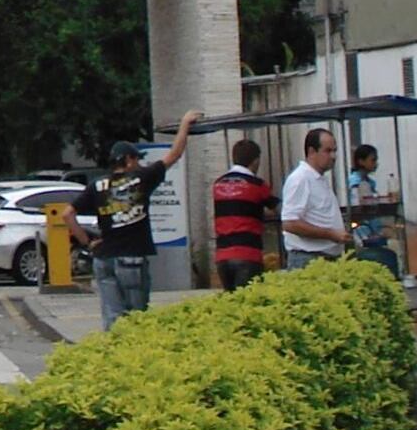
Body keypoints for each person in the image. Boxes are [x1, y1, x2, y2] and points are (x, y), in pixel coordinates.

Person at [68, 111, 199, 330]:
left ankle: (113, 349)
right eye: (136, 158)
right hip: (132, 258)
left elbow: (67, 214)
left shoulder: (96, 186)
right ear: (128, 160)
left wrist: (88, 242)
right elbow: (175, 154)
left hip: (104, 259)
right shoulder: (142, 178)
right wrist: (185, 122)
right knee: (136, 319)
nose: (139, 162)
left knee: (113, 318)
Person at [209, 138, 277, 291]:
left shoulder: (218, 184)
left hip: (222, 255)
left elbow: (234, 209)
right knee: (248, 300)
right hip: (248, 254)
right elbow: (277, 209)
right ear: (256, 160)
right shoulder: (257, 184)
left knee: (231, 300)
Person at [280, 128, 353, 268]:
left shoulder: (317, 178)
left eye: (335, 151)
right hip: (308, 258)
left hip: (325, 257)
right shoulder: (300, 179)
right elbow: (290, 223)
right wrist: (331, 234)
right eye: (328, 151)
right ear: (312, 152)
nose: (333, 156)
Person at [346, 144, 396, 269]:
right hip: (362, 232)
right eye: (373, 160)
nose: (376, 164)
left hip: (373, 229)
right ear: (361, 161)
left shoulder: (369, 182)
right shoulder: (355, 182)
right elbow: (357, 205)